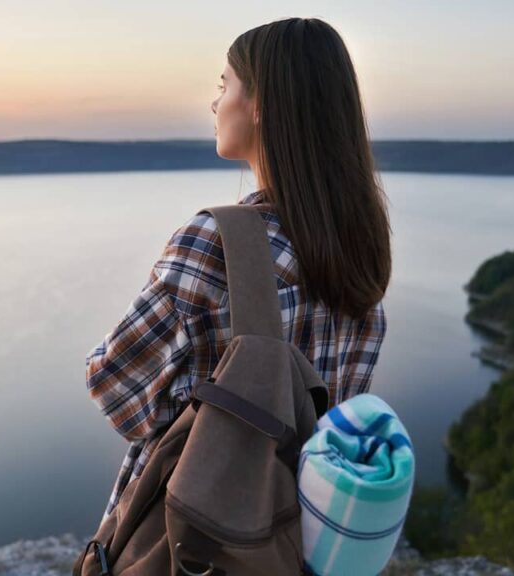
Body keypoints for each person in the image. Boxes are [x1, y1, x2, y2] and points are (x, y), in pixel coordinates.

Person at [85, 16, 392, 526]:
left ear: (262, 104)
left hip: (193, 538)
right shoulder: (359, 252)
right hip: (291, 536)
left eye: (224, 84)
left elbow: (116, 389)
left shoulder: (218, 243)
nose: (214, 102)